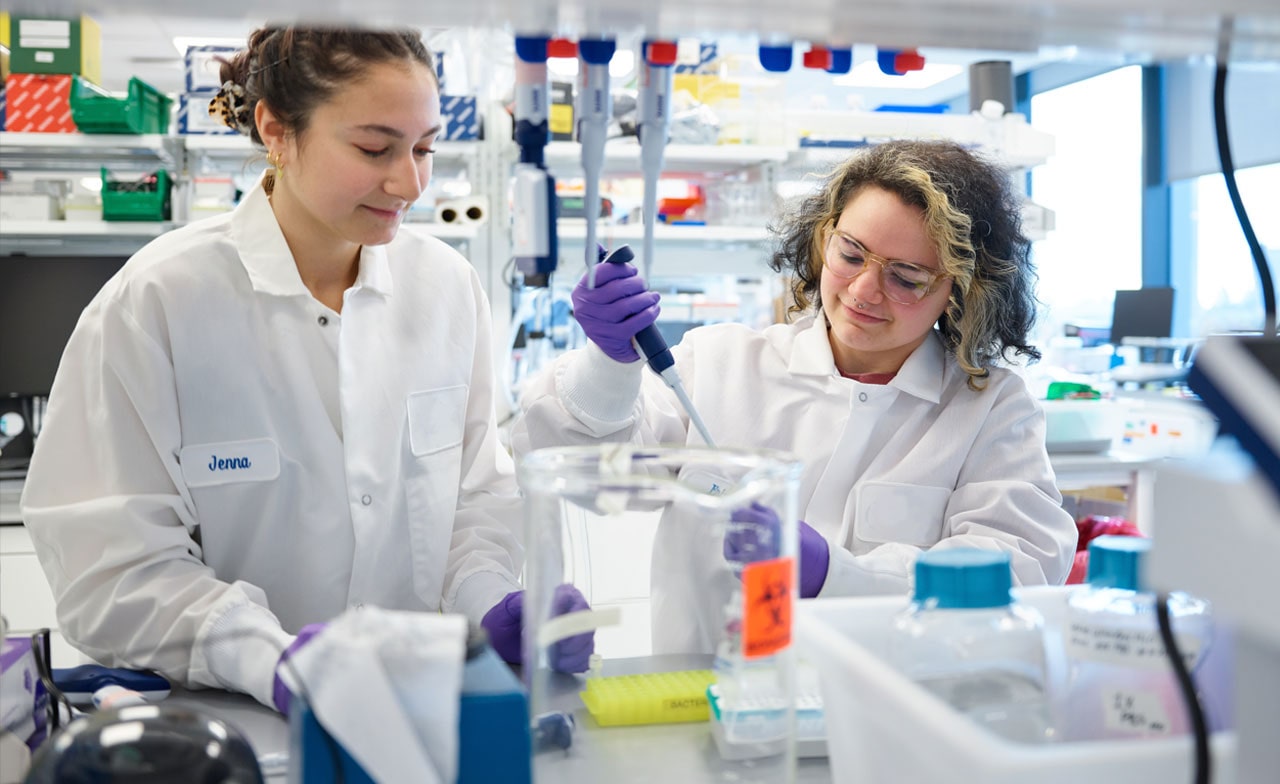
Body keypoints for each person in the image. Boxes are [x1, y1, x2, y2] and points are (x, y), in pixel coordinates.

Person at [21, 25, 588, 714]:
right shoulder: (158, 302)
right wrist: (272, 658)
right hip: (236, 725)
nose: (408, 181)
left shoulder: (446, 287)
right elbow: (110, 569)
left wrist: (492, 602)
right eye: (374, 147)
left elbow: (473, 498)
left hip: (420, 710)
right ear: (277, 131)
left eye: (425, 148)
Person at [514, 139, 1077, 652]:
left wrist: (832, 573)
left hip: (890, 715)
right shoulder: (721, 364)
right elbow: (575, 461)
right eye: (851, 254)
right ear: (822, 238)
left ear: (962, 292)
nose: (862, 291)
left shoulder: (991, 410)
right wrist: (610, 364)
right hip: (707, 708)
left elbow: (1014, 573)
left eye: (906, 278)